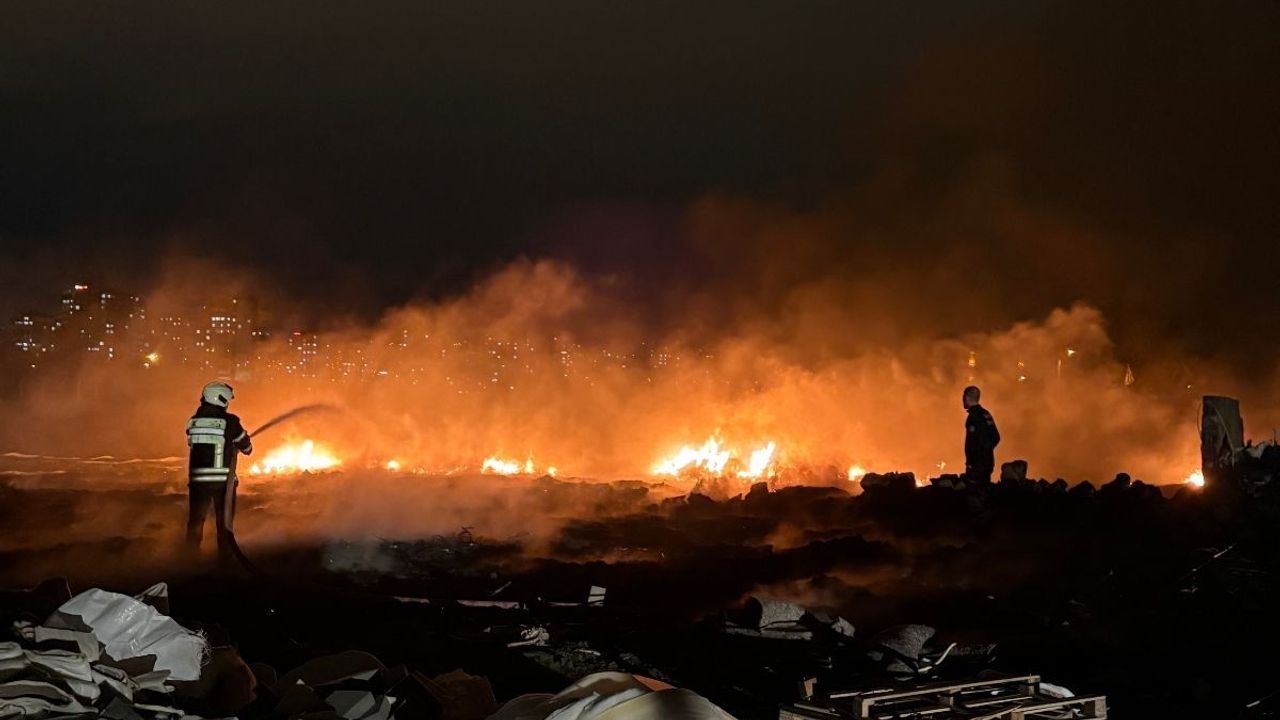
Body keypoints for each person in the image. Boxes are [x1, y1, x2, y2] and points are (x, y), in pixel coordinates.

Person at [186, 381, 253, 561]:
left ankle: (189, 559)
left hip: (197, 482)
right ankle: (225, 561)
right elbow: (247, 449)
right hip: (222, 482)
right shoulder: (230, 421)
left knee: (195, 521)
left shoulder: (193, 420)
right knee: (224, 524)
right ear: (220, 398)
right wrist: (242, 440)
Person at [962, 385, 1000, 483]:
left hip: (977, 467)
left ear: (966, 397)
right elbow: (996, 437)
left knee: (975, 494)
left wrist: (972, 462)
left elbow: (972, 442)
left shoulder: (973, 416)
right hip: (988, 464)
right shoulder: (986, 413)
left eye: (963, 397)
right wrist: (987, 452)